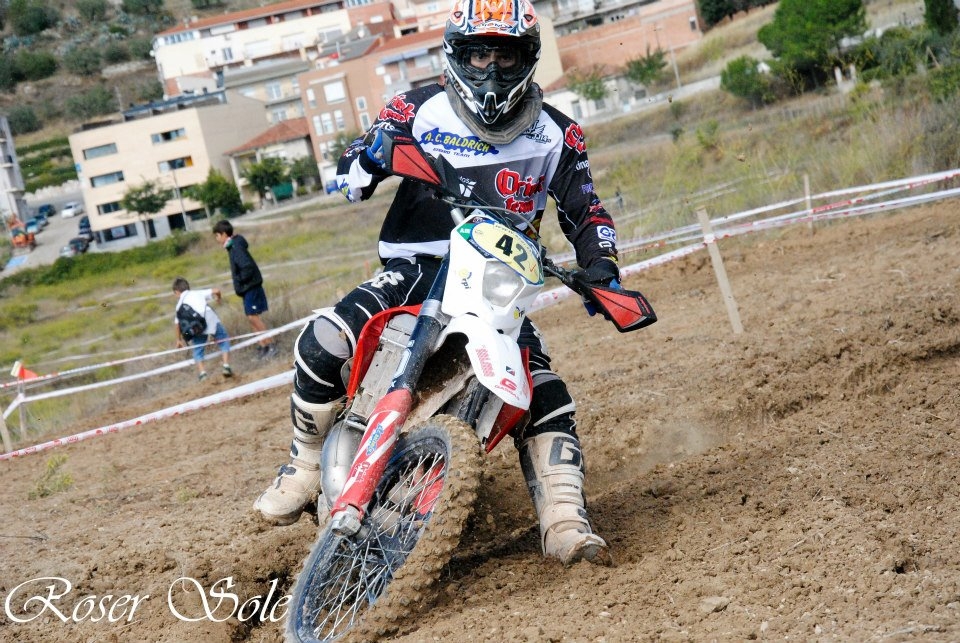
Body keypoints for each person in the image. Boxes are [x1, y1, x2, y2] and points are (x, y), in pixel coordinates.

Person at [253, 0, 621, 566]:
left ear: (529, 57)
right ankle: (304, 464)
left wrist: (603, 272)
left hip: (500, 281)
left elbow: (587, 212)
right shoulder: (417, 108)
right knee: (323, 340)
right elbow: (351, 172)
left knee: (545, 391)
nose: (491, 67)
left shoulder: (558, 136)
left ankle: (566, 523)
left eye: (505, 53)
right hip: (418, 266)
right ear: (457, 54)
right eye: (479, 52)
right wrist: (370, 156)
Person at [212, 220, 278, 359]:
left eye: (217, 236)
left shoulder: (236, 246)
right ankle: (263, 346)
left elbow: (247, 267)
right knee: (251, 318)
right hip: (246, 288)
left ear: (223, 234)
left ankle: (271, 345)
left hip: (250, 286)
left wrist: (241, 282)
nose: (216, 239)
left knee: (253, 317)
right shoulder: (232, 246)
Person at [173, 277, 234, 381]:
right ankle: (226, 366)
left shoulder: (179, 306)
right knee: (223, 339)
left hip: (195, 326)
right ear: (188, 287)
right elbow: (216, 291)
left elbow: (177, 324)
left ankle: (202, 374)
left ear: (176, 291)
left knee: (198, 348)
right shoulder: (197, 293)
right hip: (209, 318)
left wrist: (178, 340)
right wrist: (219, 298)